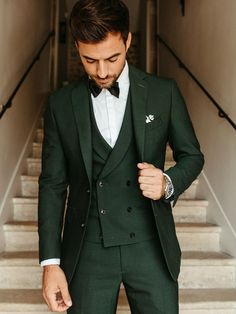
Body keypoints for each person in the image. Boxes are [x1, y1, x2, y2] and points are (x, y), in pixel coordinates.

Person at [38, 0, 204, 313]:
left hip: (150, 246)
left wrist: (168, 182)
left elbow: (192, 156)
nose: (102, 71)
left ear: (128, 41)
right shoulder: (61, 105)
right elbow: (52, 185)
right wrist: (50, 263)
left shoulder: (163, 92)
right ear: (76, 47)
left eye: (112, 58)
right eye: (90, 60)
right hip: (88, 250)